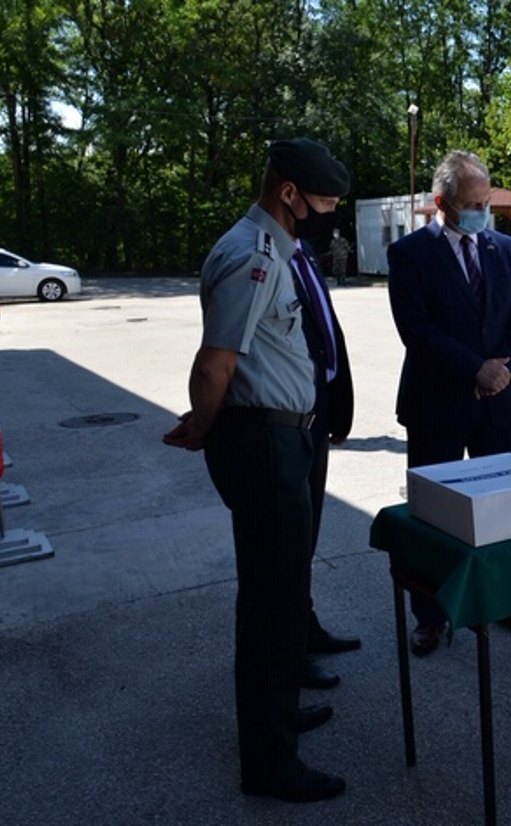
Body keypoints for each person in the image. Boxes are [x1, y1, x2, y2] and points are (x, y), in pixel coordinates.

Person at [162, 137, 349, 802]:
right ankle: (270, 764)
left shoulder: (276, 248)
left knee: (281, 594)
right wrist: (202, 423)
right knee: (271, 605)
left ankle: (279, 717)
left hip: (283, 438)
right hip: (264, 444)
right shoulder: (251, 255)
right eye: (323, 201)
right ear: (289, 194)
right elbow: (216, 362)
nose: (330, 213)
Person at [387, 150, 511, 657]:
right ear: (441, 202)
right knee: (435, 518)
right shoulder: (409, 254)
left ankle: (508, 600)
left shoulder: (503, 247)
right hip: (438, 404)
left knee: (505, 507)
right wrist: (475, 369)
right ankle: (430, 615)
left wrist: (503, 369)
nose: (481, 211)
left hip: (498, 402)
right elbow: (417, 330)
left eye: (485, 201)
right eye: (471, 204)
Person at [292, 238, 362, 692]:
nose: (330, 209)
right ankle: (288, 654)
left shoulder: (306, 254)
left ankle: (304, 625)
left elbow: (325, 330)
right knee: (286, 546)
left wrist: (338, 407)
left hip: (317, 413)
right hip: (286, 420)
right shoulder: (264, 257)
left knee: (307, 535)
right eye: (324, 203)